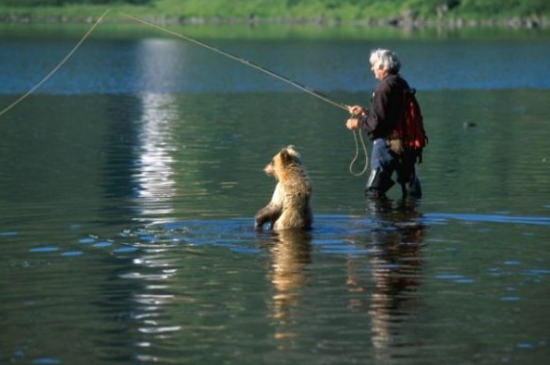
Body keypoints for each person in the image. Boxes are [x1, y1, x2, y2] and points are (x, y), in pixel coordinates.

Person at [346, 48, 422, 200]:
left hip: (386, 145)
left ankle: (382, 223)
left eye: (373, 65)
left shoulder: (383, 88)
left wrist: (357, 123)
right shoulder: (400, 83)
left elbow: (376, 124)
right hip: (406, 143)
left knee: (373, 193)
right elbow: (390, 114)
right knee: (410, 190)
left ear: (382, 67)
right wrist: (365, 112)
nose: (371, 68)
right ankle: (408, 220)